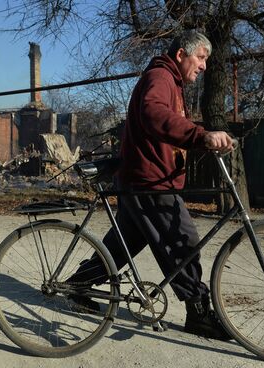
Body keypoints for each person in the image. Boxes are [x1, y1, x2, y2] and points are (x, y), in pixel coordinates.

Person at [68, 31, 233, 340]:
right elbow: (153, 113)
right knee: (181, 240)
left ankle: (76, 286)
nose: (204, 66)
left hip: (145, 179)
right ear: (182, 54)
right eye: (201, 57)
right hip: (149, 182)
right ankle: (198, 314)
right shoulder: (161, 75)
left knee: (121, 246)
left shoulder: (172, 81)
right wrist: (201, 135)